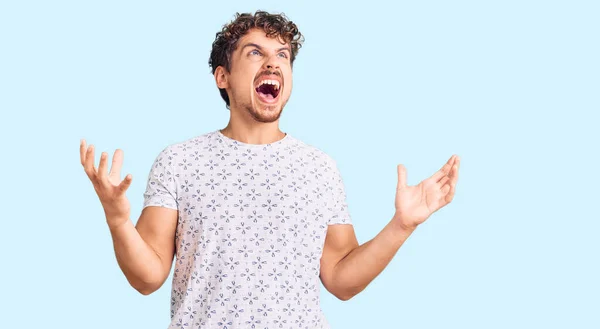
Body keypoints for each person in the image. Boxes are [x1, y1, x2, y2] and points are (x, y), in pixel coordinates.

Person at [80, 10, 460, 329]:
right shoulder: (179, 161)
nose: (273, 62)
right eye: (255, 53)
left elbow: (341, 280)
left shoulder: (319, 168)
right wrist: (116, 218)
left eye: (282, 54)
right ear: (222, 77)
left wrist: (402, 225)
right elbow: (147, 277)